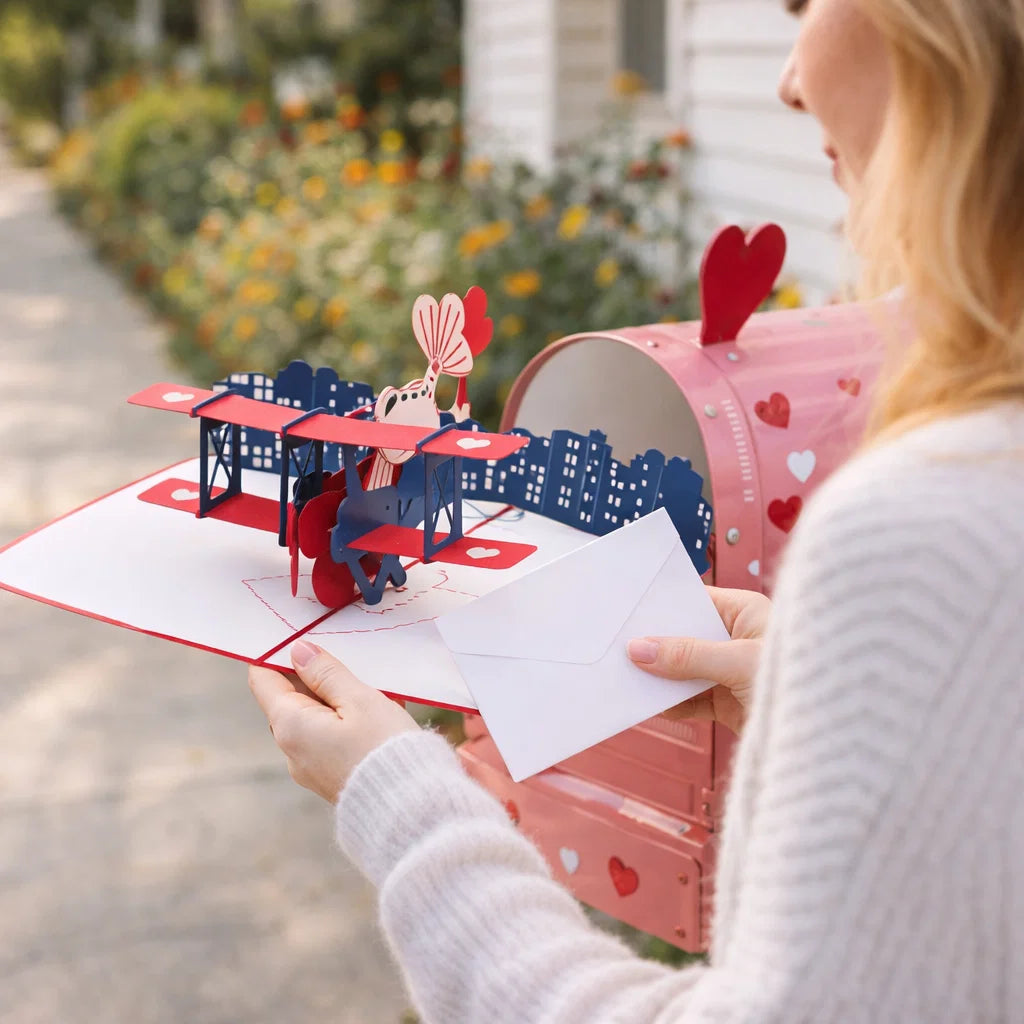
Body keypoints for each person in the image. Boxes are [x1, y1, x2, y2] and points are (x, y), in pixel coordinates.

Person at [249, 0, 1024, 1019]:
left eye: (804, 2)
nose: (789, 78)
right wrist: (833, 678)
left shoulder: (928, 520)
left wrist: (404, 804)